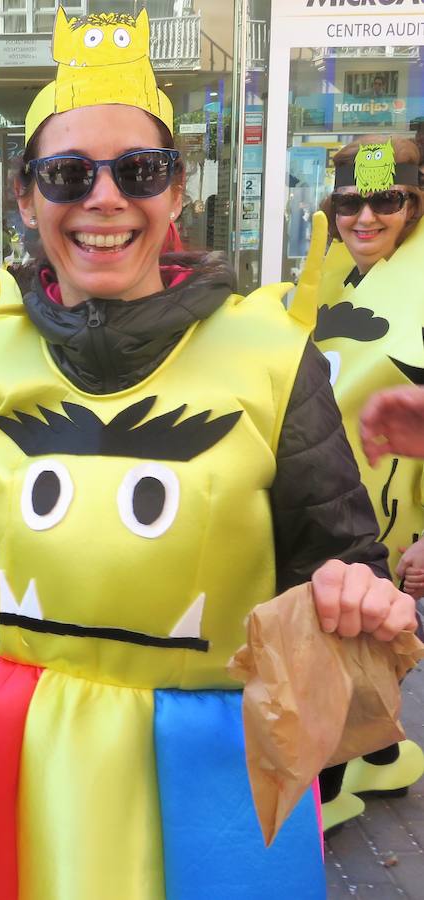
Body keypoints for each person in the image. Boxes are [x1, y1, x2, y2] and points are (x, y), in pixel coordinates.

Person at [0, 11, 415, 899]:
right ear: (26, 198)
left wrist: (358, 599)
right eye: (67, 173)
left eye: (140, 170)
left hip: (211, 777)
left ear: (176, 193)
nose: (104, 198)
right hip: (27, 771)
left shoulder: (272, 358)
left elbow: (340, 571)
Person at [295, 135, 424, 830]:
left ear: (414, 201)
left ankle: (332, 783)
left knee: (350, 645)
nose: (366, 216)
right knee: (359, 643)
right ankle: (381, 757)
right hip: (334, 501)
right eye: (350, 201)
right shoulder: (338, 268)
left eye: (387, 200)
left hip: (394, 519)